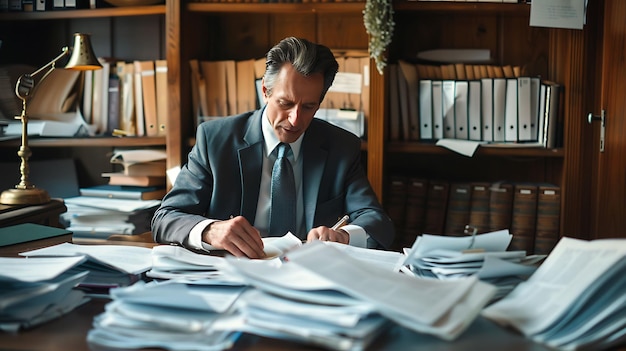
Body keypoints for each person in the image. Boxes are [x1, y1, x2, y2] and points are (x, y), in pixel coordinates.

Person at [152, 36, 394, 258]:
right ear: (265, 91)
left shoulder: (341, 146)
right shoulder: (215, 140)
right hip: (231, 274)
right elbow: (166, 218)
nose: (295, 120)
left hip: (308, 279)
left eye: (308, 107)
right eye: (285, 103)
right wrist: (211, 231)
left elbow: (377, 221)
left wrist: (345, 235)